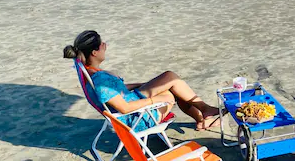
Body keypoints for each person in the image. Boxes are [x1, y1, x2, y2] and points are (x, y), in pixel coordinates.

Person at [63, 30, 222, 131]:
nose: (105, 47)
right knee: (172, 90)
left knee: (169, 76)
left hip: (131, 98)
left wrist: (140, 84)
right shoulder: (100, 80)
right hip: (136, 119)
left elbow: (115, 91)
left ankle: (203, 115)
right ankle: (204, 115)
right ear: (94, 53)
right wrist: (156, 99)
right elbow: (124, 108)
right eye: (103, 45)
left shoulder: (88, 70)